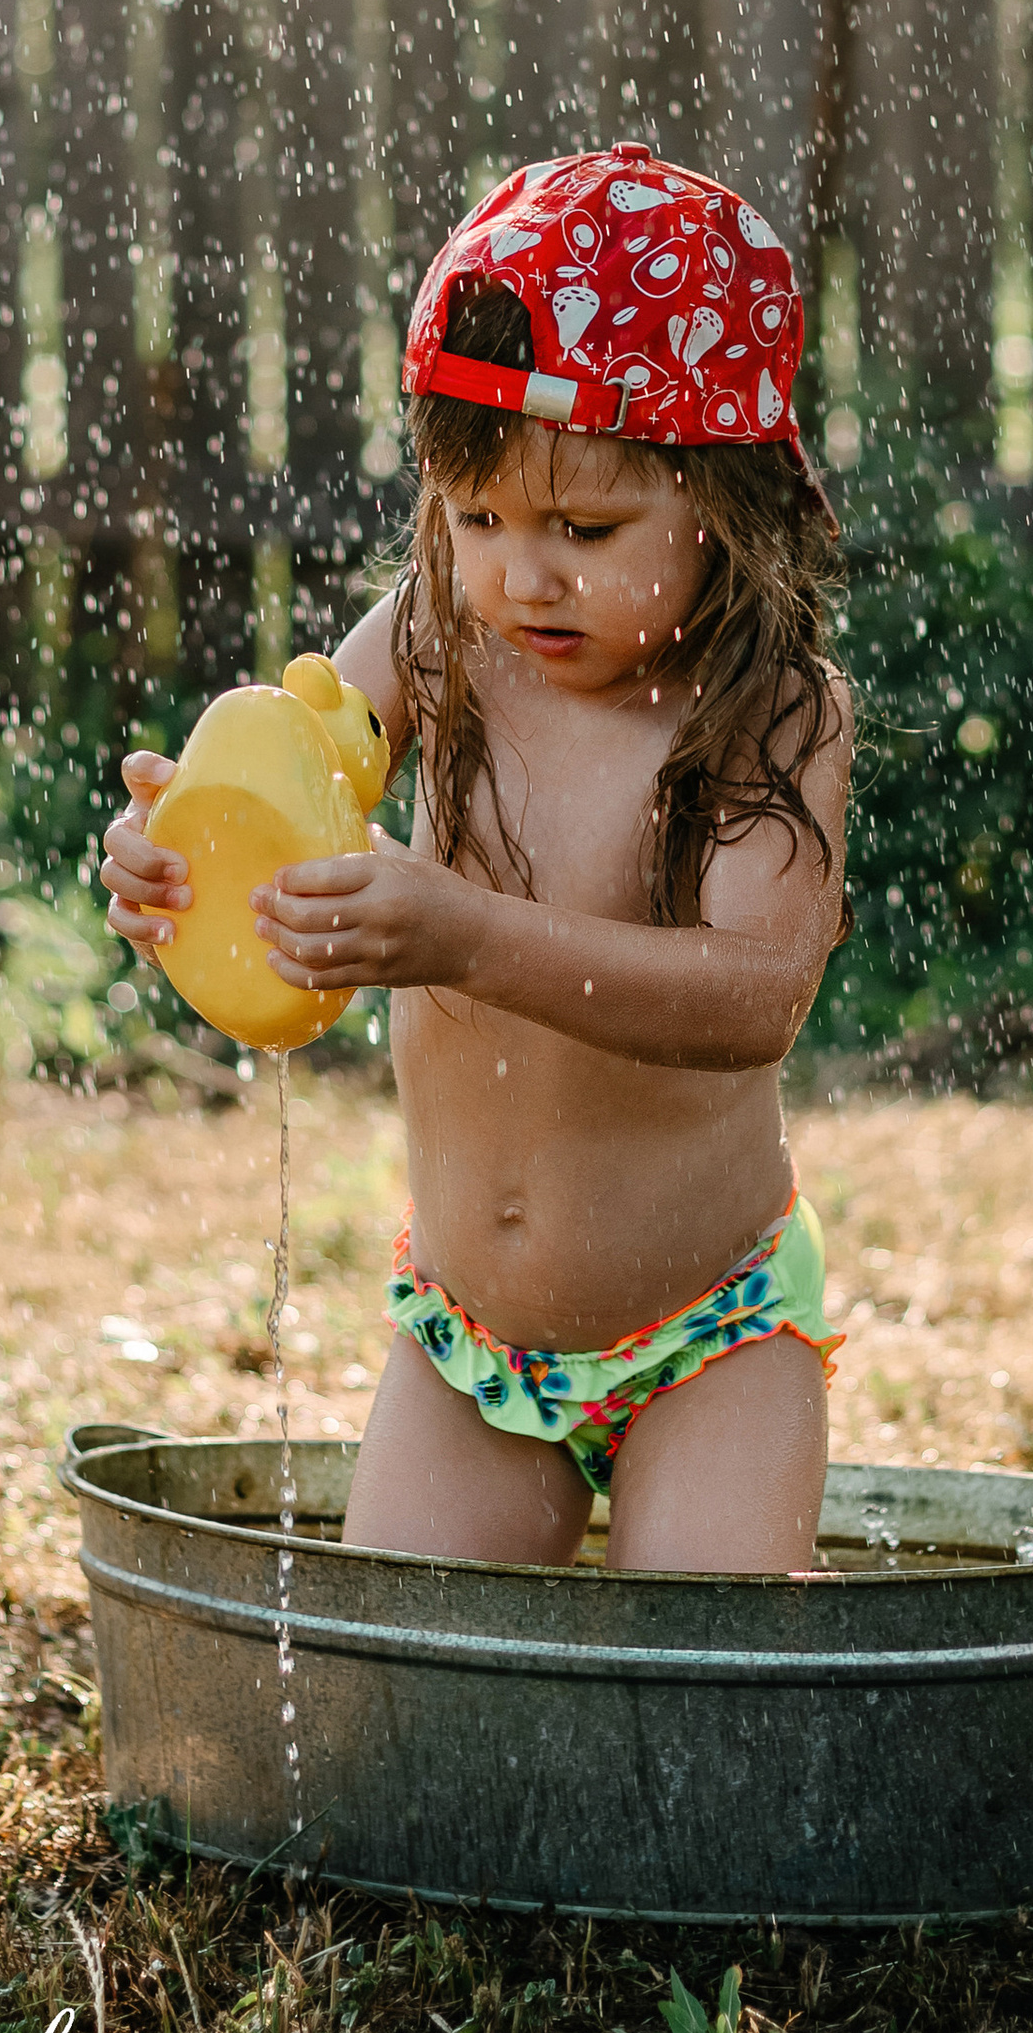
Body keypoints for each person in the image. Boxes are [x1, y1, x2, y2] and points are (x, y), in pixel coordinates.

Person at [98, 145, 852, 1574]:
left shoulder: (771, 711)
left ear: (725, 499)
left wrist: (468, 937)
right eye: (479, 515)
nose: (522, 574)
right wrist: (181, 855)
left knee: (714, 1669)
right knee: (412, 1661)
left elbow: (754, 997)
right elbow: (283, 783)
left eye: (586, 528)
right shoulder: (441, 637)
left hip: (712, 1333)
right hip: (467, 1345)